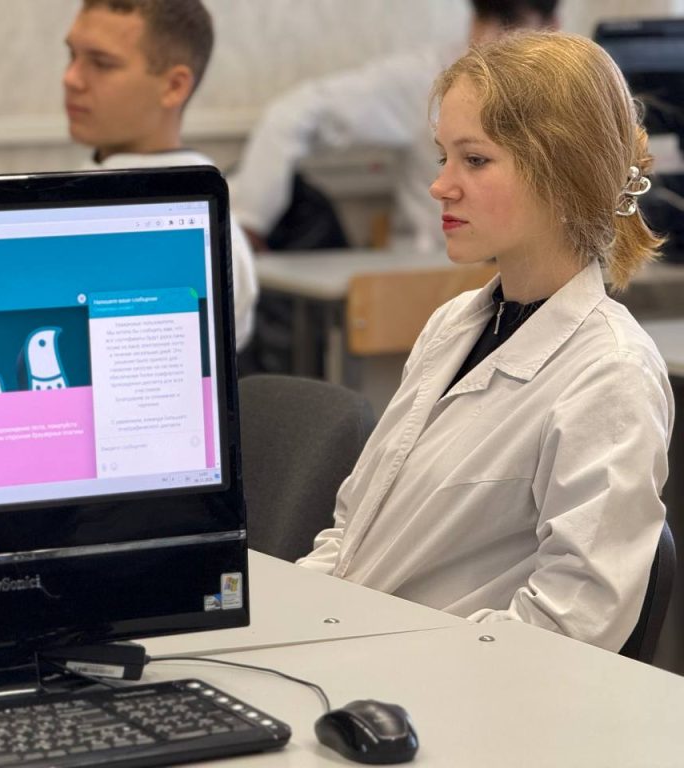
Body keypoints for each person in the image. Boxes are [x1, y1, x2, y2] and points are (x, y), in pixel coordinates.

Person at [297, 31, 674, 653]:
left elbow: (570, 628)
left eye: (474, 160)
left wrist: (381, 659)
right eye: (443, 157)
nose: (440, 186)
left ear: (563, 173)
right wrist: (291, 621)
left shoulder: (612, 373)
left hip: (451, 684)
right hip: (351, 654)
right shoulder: (453, 325)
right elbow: (350, 535)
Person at [229, 0, 558, 254]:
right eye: (489, 23)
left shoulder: (565, 91)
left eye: (512, 25)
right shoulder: (424, 80)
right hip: (429, 277)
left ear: (553, 29)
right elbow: (291, 116)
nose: (494, 40)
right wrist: (250, 221)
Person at [62, 0, 259, 350]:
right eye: (72, 55)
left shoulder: (210, 234)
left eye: (101, 63)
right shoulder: (82, 185)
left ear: (174, 87)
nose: (71, 78)